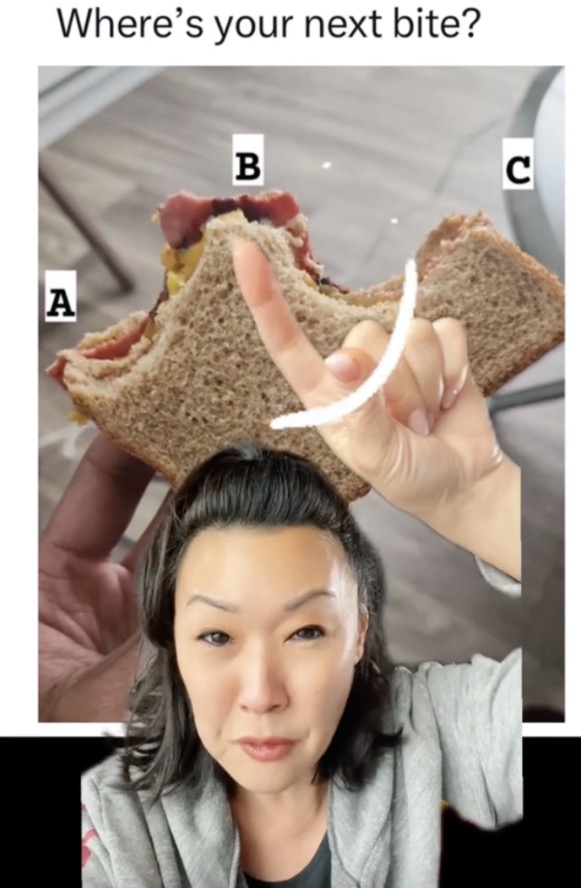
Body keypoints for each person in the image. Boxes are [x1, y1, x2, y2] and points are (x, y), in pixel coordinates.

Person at [73, 240, 522, 885]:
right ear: (170, 641)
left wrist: (484, 503)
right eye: (217, 636)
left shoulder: (447, 733)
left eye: (307, 631)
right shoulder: (116, 821)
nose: (262, 695)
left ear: (360, 629)